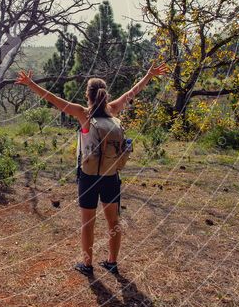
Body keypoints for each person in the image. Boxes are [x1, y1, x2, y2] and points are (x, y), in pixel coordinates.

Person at [15, 62, 169, 276]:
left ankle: (87, 265)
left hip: (88, 177)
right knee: (113, 222)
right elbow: (131, 93)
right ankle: (112, 262)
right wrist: (149, 75)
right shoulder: (113, 110)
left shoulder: (82, 113)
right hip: (111, 176)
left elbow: (53, 99)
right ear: (105, 95)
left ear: (88, 95)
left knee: (88, 223)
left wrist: (31, 84)